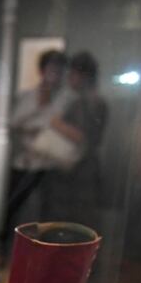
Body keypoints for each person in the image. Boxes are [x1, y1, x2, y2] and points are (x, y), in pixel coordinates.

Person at [2, 49, 69, 256]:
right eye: (52, 69)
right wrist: (39, 109)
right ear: (42, 71)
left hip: (50, 164)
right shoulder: (27, 96)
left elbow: (62, 127)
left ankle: (46, 254)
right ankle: (5, 250)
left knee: (49, 212)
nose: (55, 75)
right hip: (24, 161)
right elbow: (14, 122)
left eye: (59, 70)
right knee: (12, 206)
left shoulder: (66, 98)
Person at [47, 51, 108, 226]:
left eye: (72, 73)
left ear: (83, 76)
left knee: (78, 222)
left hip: (80, 171)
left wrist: (56, 123)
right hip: (77, 170)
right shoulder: (83, 101)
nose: (69, 78)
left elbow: (83, 137)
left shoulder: (91, 102)